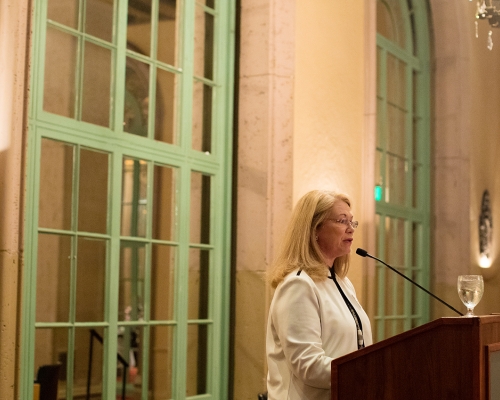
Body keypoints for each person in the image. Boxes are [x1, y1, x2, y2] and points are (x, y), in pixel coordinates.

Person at [266, 190, 372, 400]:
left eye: (352, 222)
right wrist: (369, 372)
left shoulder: (342, 282)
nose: (351, 229)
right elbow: (309, 366)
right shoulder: (298, 284)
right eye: (342, 221)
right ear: (315, 228)